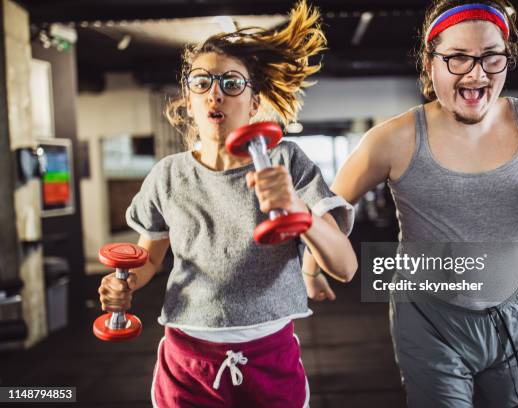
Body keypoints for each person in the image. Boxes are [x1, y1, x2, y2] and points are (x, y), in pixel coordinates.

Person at [303, 0, 518, 406]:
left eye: (491, 58)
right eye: (458, 58)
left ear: (506, 60)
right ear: (430, 64)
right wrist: (311, 270)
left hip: (514, 311)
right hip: (430, 318)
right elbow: (329, 209)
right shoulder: (392, 140)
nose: (476, 72)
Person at [98, 2, 357, 407]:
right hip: (187, 363)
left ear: (254, 102)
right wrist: (123, 285)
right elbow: (147, 260)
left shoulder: (285, 162)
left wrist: (299, 211)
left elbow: (345, 266)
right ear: (188, 98)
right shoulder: (168, 176)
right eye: (201, 82)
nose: (215, 93)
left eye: (231, 83)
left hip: (270, 357)